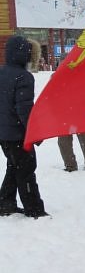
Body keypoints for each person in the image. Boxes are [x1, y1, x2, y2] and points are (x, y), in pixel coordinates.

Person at [0, 35, 48, 218]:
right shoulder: (24, 77)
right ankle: (34, 208)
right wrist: (36, 133)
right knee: (26, 169)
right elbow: (25, 111)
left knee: (14, 166)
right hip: (17, 135)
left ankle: (5, 202)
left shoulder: (2, 73)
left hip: (4, 134)